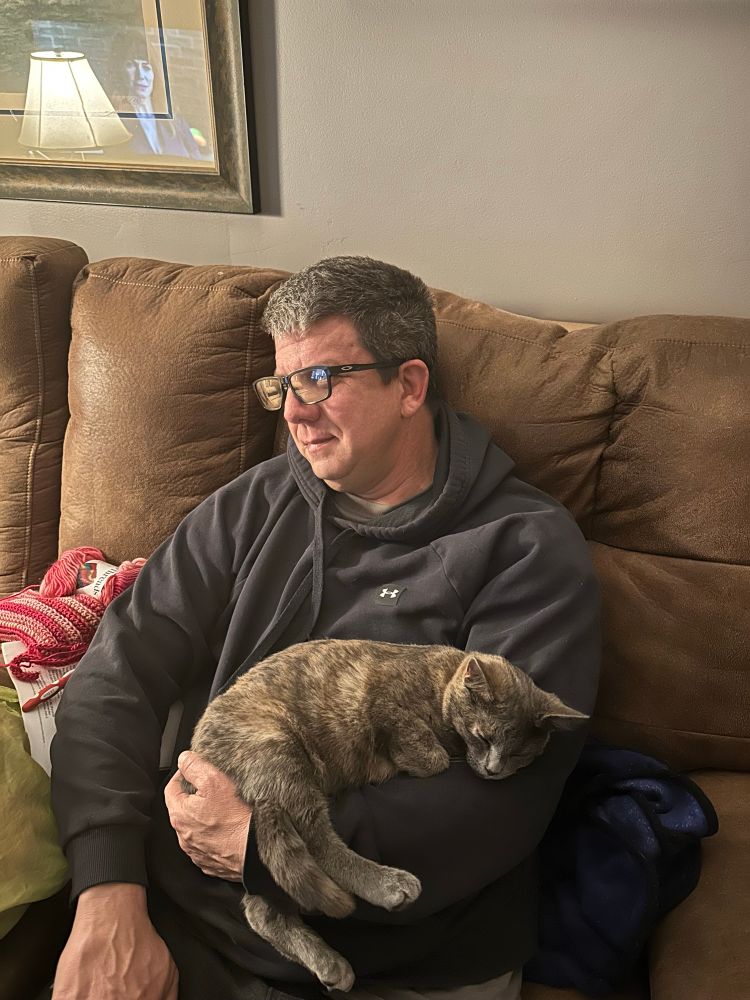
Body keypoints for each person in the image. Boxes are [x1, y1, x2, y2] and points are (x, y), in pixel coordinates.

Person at [49, 256, 600, 1000]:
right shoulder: (252, 507)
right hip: (190, 911)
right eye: (283, 386)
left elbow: (503, 796)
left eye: (321, 381)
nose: (294, 414)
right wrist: (107, 891)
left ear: (409, 385)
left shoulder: (524, 548)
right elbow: (115, 676)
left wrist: (259, 845)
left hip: (399, 948)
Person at [107, 30, 209, 161]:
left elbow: (196, 159)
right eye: (131, 65)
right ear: (119, 72)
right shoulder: (114, 120)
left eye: (146, 67)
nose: (140, 76)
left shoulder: (174, 116)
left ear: (155, 72)